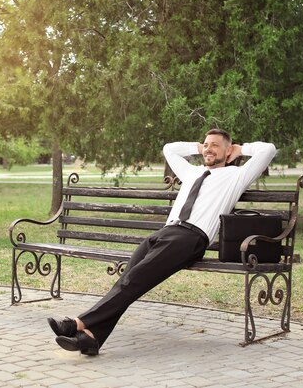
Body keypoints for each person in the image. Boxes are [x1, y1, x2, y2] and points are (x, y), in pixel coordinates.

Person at [47, 128, 277, 356]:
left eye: (215, 145)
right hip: (165, 232)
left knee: (132, 281)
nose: (208, 148)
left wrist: (241, 150)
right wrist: (199, 148)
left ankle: (76, 323)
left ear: (229, 151)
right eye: (206, 144)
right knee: (129, 279)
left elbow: (269, 150)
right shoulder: (192, 172)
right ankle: (91, 338)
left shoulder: (236, 177)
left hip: (191, 237)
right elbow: (170, 150)